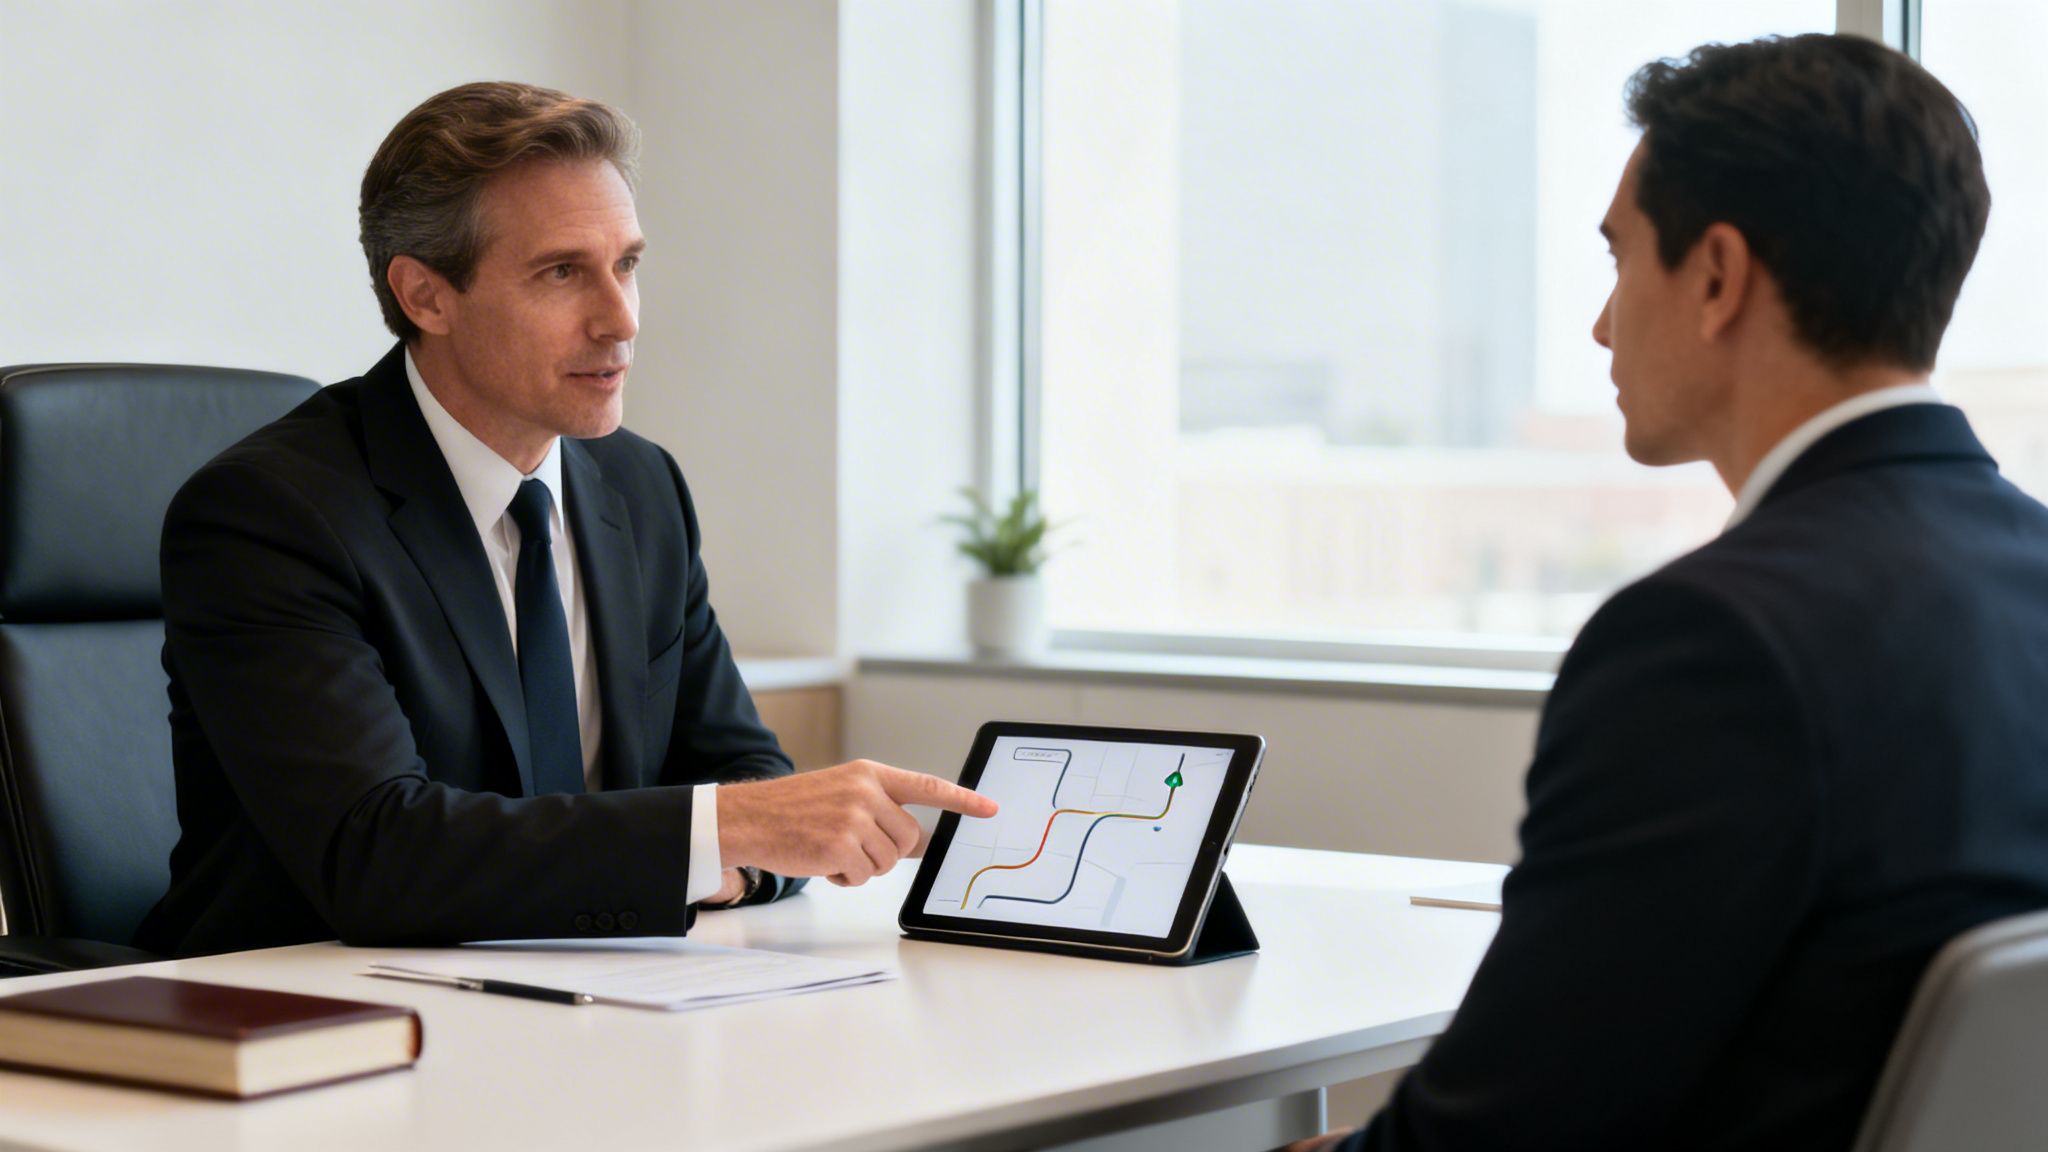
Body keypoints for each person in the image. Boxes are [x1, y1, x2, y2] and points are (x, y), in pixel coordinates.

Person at [1292, 33, 2048, 1152]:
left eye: (1616, 259)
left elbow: (1491, 1138)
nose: (1601, 324)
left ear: (1713, 276)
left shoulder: (1710, 645)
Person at [134, 81, 994, 957]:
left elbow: (749, 777)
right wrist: (717, 838)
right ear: (426, 296)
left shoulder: (639, 486)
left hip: (589, 998)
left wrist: (727, 853)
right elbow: (379, 856)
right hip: (307, 1021)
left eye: (626, 264)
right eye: (561, 273)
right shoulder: (271, 514)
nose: (620, 319)